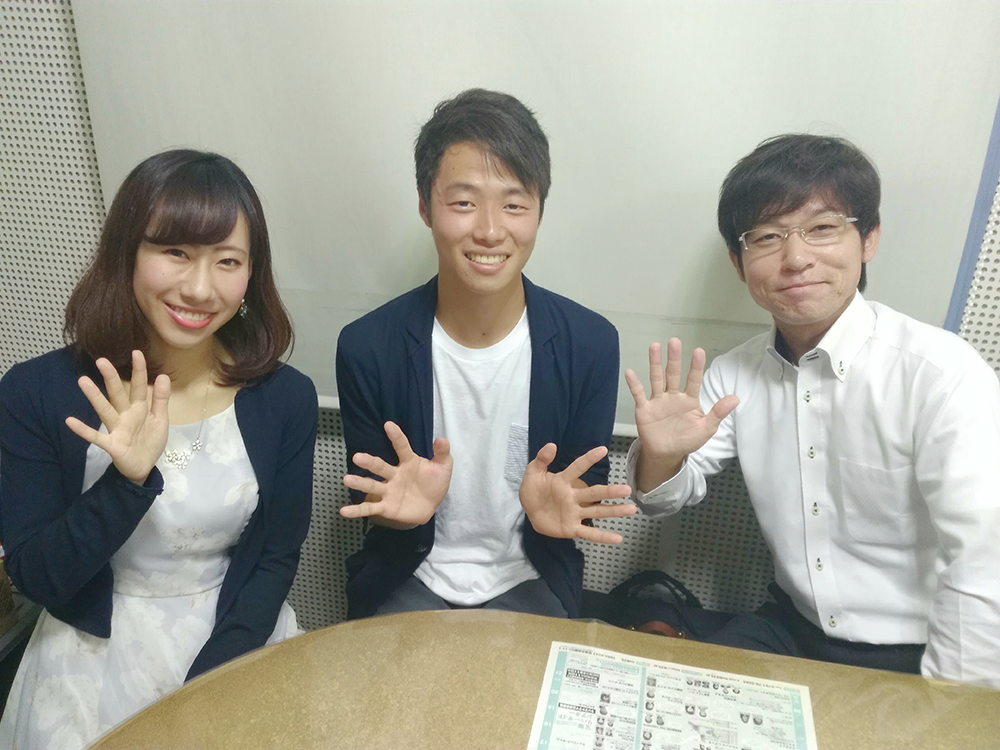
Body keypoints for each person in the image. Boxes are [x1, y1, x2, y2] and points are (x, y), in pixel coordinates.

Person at [625, 134, 1000, 687]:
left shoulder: (940, 374)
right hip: (787, 628)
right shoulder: (733, 375)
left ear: (868, 238)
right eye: (767, 237)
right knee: (660, 697)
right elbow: (663, 501)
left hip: (915, 651)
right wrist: (660, 458)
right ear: (738, 262)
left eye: (822, 228)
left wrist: (948, 705)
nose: (796, 258)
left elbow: (985, 562)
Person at [0, 150, 318, 748]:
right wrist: (125, 483)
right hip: (90, 664)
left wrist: (205, 693)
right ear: (127, 253)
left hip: (235, 642)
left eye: (227, 261)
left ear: (251, 277)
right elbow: (38, 579)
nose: (199, 288)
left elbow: (275, 558)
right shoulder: (36, 392)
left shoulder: (285, 397)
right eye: (175, 252)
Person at [337, 88, 634, 620]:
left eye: (514, 204)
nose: (491, 230)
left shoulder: (590, 344)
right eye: (464, 202)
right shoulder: (367, 347)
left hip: (531, 579)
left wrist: (558, 515)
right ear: (425, 206)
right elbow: (372, 501)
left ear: (539, 211)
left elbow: (581, 489)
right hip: (407, 577)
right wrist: (397, 515)